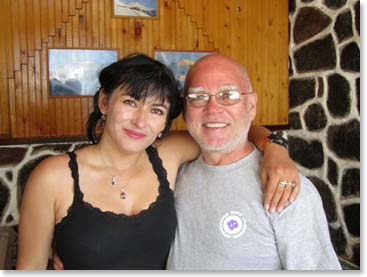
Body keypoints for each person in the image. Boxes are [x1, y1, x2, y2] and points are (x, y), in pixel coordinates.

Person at [17, 53, 298, 270]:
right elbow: (29, 269)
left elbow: (226, 126)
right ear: (104, 103)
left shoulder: (167, 155)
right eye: (130, 102)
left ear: (165, 121)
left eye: (156, 109)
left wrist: (275, 148)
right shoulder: (53, 177)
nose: (141, 120)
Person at [166, 54, 341, 270]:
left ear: (251, 105)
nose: (212, 109)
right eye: (198, 96)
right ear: (185, 109)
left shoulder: (287, 190)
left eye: (228, 95)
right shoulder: (175, 172)